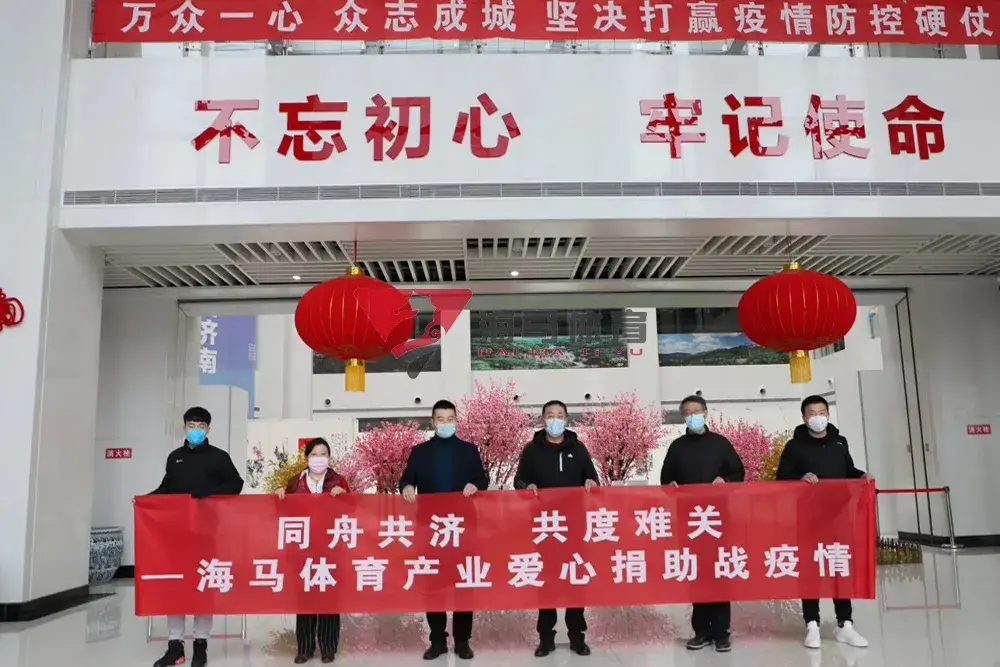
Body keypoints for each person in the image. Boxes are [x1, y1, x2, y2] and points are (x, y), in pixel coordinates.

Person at [777, 395, 872, 651]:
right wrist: (801, 477)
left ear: (828, 414)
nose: (817, 417)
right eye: (812, 413)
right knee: (811, 569)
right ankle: (812, 624)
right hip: (808, 517)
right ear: (804, 417)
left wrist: (862, 475)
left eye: (821, 412)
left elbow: (848, 469)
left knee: (839, 566)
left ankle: (846, 625)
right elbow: (782, 476)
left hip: (839, 515)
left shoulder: (840, 442)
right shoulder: (794, 446)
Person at [151, 406, 244, 667]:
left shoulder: (219, 457)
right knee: (177, 586)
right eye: (191, 425)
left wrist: (211, 493)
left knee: (204, 585)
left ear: (208, 429)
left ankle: (200, 644)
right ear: (184, 427)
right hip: (176, 533)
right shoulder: (175, 457)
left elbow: (236, 484)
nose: (196, 430)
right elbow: (166, 487)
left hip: (206, 532)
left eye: (201, 426)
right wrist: (145, 500)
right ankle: (175, 645)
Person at [399, 399, 489, 661]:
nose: (446, 423)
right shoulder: (420, 452)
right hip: (432, 530)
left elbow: (482, 478)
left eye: (450, 419)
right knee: (434, 586)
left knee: (463, 585)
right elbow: (406, 479)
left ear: (456, 421)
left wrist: (475, 484)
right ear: (433, 422)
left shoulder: (469, 450)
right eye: (441, 419)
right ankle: (437, 640)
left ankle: (462, 641)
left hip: (462, 529)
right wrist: (406, 487)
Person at [513, 399, 599, 658]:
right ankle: (545, 638)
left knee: (575, 579)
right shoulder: (531, 450)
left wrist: (590, 482)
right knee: (547, 581)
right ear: (543, 420)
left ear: (566, 419)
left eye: (559, 415)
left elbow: (592, 477)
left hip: (574, 526)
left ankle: (577, 637)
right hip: (545, 527)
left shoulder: (579, 448)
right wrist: (526, 487)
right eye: (550, 415)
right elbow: (519, 480)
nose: (554, 419)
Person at [660, 395, 745, 654]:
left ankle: (721, 633)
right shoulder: (677, 447)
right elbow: (665, 480)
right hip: (690, 521)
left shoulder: (720, 443)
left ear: (706, 412)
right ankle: (701, 631)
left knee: (719, 572)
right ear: (683, 417)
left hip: (717, 519)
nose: (692, 415)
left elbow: (738, 472)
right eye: (687, 412)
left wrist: (725, 481)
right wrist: (670, 486)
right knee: (696, 574)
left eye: (696, 410)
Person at [277, 438, 350, 664]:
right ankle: (305, 648)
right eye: (314, 454)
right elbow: (284, 511)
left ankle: (328, 648)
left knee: (329, 596)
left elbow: (353, 509)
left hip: (330, 547)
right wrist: (279, 494)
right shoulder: (295, 482)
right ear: (306, 457)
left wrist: (344, 494)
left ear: (329, 457)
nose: (319, 458)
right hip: (303, 549)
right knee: (305, 597)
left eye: (323, 454)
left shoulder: (339, 480)